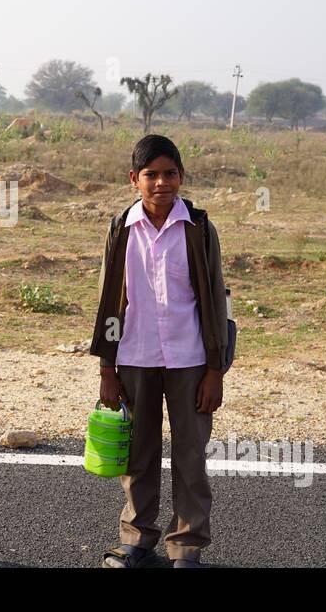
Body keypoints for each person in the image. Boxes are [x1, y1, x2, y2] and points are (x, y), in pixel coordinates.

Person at [89, 134, 231, 568]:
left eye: (170, 174)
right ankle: (136, 538)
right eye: (151, 175)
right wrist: (107, 368)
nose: (161, 183)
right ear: (135, 179)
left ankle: (186, 547)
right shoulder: (120, 229)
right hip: (134, 357)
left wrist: (215, 370)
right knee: (138, 455)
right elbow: (109, 302)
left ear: (181, 177)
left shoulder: (199, 228)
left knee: (191, 457)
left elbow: (215, 300)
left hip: (191, 360)